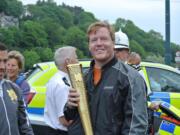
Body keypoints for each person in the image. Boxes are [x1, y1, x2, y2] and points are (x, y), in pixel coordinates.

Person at [64, 22, 148, 135]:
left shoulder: (130, 78)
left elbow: (136, 127)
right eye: (94, 40)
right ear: (89, 45)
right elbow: (69, 116)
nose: (99, 44)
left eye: (104, 39)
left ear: (113, 42)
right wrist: (70, 105)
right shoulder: (82, 77)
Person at [0, 42, 34, 135]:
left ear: (19, 68)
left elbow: (25, 125)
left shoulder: (16, 89)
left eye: (4, 61)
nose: (3, 67)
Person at [44, 46, 78, 135]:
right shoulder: (62, 85)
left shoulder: (55, 79)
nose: (78, 62)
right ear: (68, 61)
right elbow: (63, 119)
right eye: (76, 58)